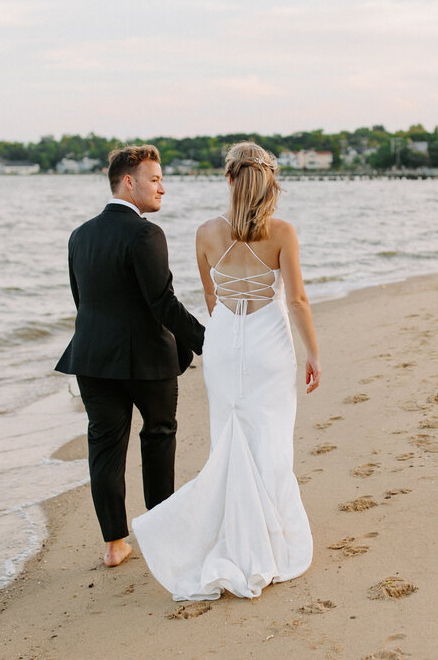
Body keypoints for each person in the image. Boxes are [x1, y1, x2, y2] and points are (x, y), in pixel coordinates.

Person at [132, 141, 321, 600]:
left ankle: (230, 533)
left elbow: (212, 300)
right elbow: (295, 300)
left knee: (229, 437)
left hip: (223, 342)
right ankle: (270, 537)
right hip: (267, 344)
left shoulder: (204, 233)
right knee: (270, 439)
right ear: (268, 181)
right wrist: (314, 353)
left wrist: (226, 337)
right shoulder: (282, 232)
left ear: (229, 179)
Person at [55, 145, 206, 568]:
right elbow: (163, 303)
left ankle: (115, 544)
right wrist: (208, 342)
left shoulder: (79, 235)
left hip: (91, 359)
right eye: (155, 179)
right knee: (158, 436)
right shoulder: (145, 234)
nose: (163, 187)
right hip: (146, 361)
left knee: (104, 447)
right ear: (128, 182)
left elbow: (81, 300)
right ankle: (161, 534)